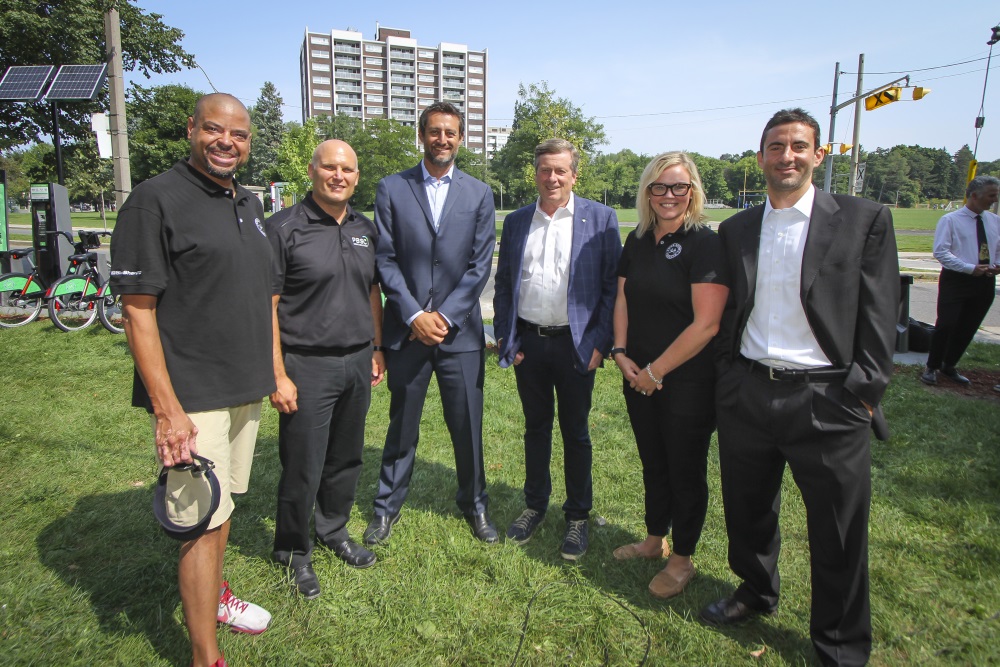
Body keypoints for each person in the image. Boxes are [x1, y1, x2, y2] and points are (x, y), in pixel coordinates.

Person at [703, 108, 899, 667]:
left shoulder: (863, 220)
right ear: (760, 155)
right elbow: (733, 308)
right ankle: (756, 592)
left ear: (818, 154)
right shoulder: (737, 227)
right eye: (775, 146)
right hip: (749, 393)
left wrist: (862, 393)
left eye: (798, 146)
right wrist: (728, 377)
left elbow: (881, 318)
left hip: (828, 399)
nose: (786, 156)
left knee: (838, 531)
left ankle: (838, 643)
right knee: (747, 510)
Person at [110, 93, 275, 667]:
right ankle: (205, 656)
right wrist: (167, 409)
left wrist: (271, 371)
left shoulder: (247, 203)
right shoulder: (154, 201)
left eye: (238, 134)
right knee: (199, 524)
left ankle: (216, 598)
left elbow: (262, 296)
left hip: (242, 388)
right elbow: (137, 311)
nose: (226, 142)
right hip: (192, 396)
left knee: (221, 511)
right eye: (213, 130)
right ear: (192, 130)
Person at [364, 101, 498, 545]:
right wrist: (415, 314)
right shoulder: (391, 189)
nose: (443, 139)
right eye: (435, 131)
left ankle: (475, 504)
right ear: (421, 135)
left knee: (467, 427)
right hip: (408, 331)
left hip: (460, 335)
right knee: (402, 424)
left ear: (461, 139)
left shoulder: (479, 193)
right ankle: (386, 507)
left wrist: (445, 315)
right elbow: (384, 259)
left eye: (451, 132)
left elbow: (479, 266)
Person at [268, 140, 386, 599]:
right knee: (303, 462)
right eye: (330, 167)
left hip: (358, 359)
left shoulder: (365, 228)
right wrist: (277, 373)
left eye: (348, 169)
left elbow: (372, 291)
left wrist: (377, 346)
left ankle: (333, 529)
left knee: (345, 455)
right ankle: (293, 550)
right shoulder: (283, 228)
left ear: (357, 177)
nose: (339, 176)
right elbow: (268, 305)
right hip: (306, 363)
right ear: (313, 171)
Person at [493, 139, 621, 560]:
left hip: (576, 346)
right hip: (529, 344)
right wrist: (508, 340)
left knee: (576, 432)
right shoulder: (515, 222)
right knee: (535, 429)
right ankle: (534, 506)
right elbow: (506, 286)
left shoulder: (600, 219)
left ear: (574, 175)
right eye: (545, 170)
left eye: (561, 171)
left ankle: (578, 516)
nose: (552, 178)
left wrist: (600, 344)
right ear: (535, 173)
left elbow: (610, 288)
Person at [610, 152, 728, 596]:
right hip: (637, 374)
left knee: (684, 467)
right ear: (647, 192)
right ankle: (654, 540)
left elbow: (707, 324)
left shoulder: (704, 242)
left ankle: (682, 559)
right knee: (653, 460)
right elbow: (622, 297)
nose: (669, 195)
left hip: (686, 380)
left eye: (679, 186)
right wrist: (621, 353)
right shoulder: (637, 239)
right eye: (659, 186)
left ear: (693, 191)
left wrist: (656, 372)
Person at [920, 175, 1000, 386]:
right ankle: (932, 365)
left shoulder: (994, 221)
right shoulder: (951, 220)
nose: (995, 200)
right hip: (957, 280)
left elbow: (998, 248)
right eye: (991, 195)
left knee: (968, 326)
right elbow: (941, 252)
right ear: (974, 195)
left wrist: (996, 265)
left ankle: (950, 365)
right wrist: (968, 268)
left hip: (984, 281)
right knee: (946, 324)